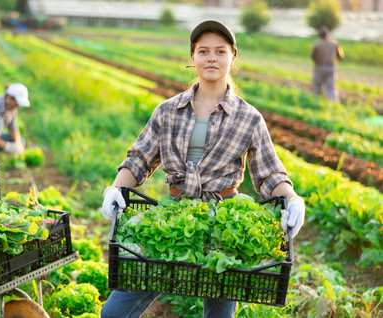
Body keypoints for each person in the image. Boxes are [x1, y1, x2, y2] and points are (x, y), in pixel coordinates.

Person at [100, 20, 305, 318]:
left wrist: (292, 198)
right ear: (192, 58)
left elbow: (270, 174)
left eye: (220, 51)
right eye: (203, 51)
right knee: (114, 313)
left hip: (224, 223)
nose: (212, 58)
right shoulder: (168, 110)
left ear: (232, 58)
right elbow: (139, 159)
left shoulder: (249, 118)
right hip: (174, 215)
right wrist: (115, 188)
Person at [310, 26, 344, 102]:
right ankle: (333, 104)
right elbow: (341, 56)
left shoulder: (317, 44)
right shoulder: (335, 43)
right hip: (331, 67)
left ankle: (316, 102)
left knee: (317, 86)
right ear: (327, 34)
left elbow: (313, 56)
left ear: (319, 35)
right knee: (331, 87)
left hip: (320, 66)